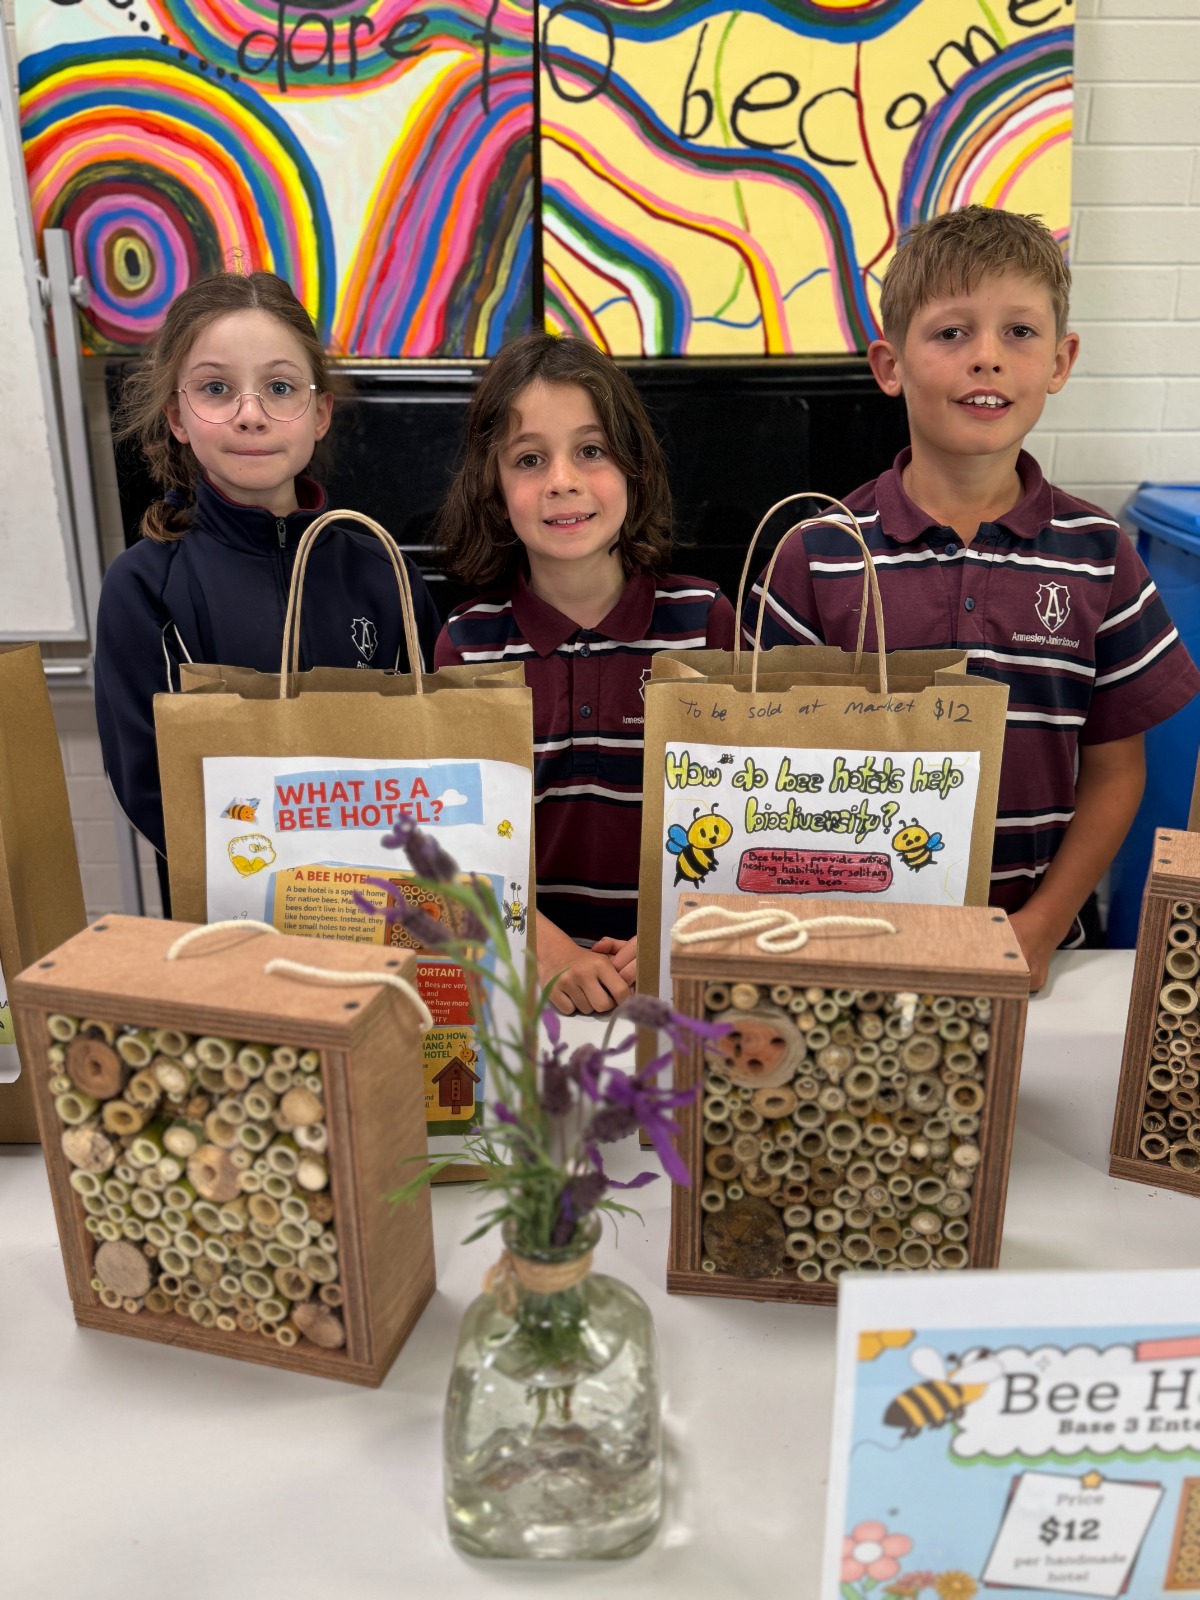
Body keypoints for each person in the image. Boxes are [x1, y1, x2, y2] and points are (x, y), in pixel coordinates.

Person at [745, 205, 1200, 991]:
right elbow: (764, 771)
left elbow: (1116, 767)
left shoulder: (1100, 555)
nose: (986, 358)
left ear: (1061, 361)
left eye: (1019, 333)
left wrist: (1042, 925)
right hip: (847, 945)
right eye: (951, 333)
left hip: (1040, 948)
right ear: (890, 365)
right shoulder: (814, 555)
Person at [95, 271, 441, 905]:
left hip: (385, 907)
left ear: (319, 413)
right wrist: (279, 883)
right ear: (177, 414)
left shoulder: (383, 573)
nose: (250, 413)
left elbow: (434, 749)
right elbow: (148, 783)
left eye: (280, 387)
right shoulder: (143, 586)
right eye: (217, 388)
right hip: (233, 915)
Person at [433, 333, 735, 1015]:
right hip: (523, 984)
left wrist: (671, 935)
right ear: (492, 484)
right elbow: (460, 848)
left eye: (591, 451)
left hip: (679, 978)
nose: (562, 480)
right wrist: (552, 954)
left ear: (635, 467)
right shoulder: (465, 646)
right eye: (530, 459)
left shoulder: (704, 623)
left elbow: (741, 817)